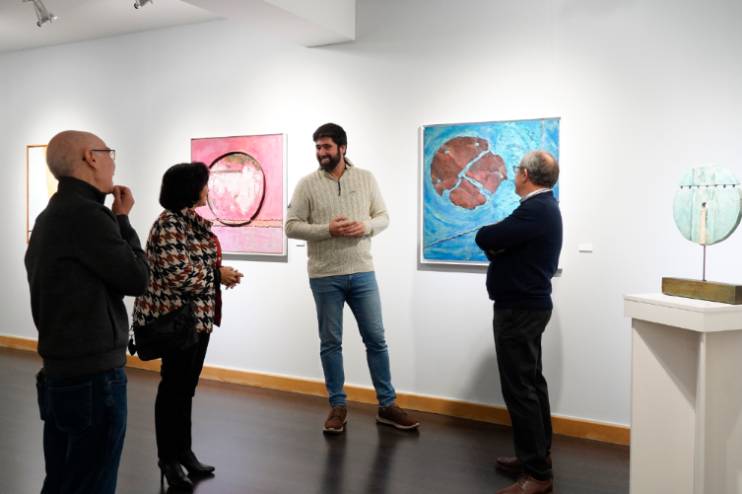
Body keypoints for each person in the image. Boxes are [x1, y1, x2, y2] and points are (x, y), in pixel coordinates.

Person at [25, 130, 149, 494]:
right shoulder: (87, 216)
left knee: (63, 481)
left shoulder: (50, 215)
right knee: (92, 483)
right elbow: (137, 278)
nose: (113, 163)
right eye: (109, 153)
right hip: (93, 380)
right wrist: (123, 221)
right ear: (90, 157)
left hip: (61, 374)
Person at [286, 122, 419, 433]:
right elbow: (291, 226)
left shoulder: (366, 178)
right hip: (324, 275)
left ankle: (387, 405)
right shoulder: (306, 184)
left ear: (342, 148)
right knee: (331, 343)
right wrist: (327, 230)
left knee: (376, 339)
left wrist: (366, 227)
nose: (321, 152)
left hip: (362, 273)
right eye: (318, 147)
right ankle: (338, 406)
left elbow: (383, 216)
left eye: (326, 147)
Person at [131, 162, 243, 491]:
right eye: (204, 183)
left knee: (185, 389)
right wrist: (216, 275)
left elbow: (194, 266)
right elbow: (178, 275)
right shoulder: (168, 224)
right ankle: (168, 459)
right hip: (175, 321)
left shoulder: (188, 221)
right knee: (173, 390)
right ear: (189, 188)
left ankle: (184, 453)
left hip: (196, 321)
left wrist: (219, 274)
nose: (208, 189)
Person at [475, 151, 562, 494]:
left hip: (519, 310)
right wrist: (500, 247)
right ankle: (537, 455)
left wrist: (497, 246)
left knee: (521, 390)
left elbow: (487, 237)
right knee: (532, 384)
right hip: (528, 307)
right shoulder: (543, 208)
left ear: (525, 174)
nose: (514, 175)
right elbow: (501, 242)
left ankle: (537, 474)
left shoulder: (535, 210)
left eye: (516, 170)